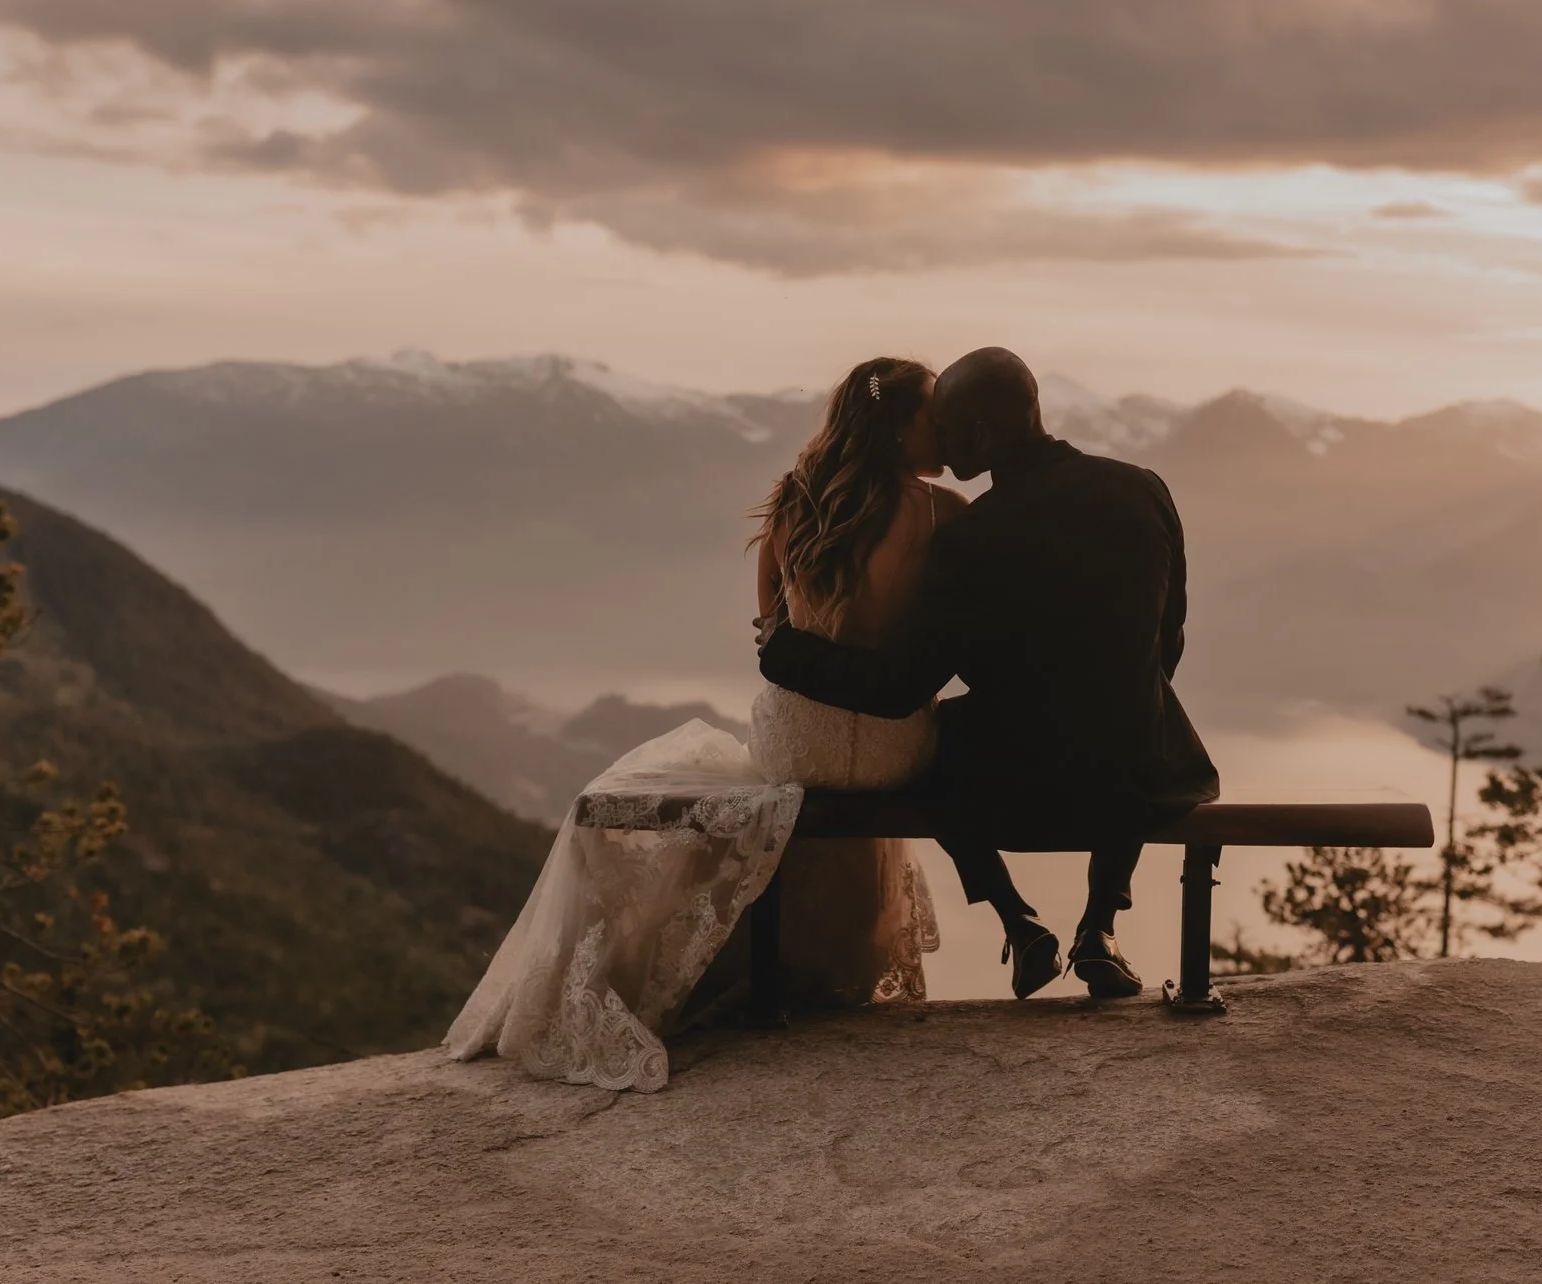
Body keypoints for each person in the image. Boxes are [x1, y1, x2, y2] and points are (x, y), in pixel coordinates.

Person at [444, 357, 955, 1091]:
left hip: (797, 746)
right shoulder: (946, 514)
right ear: (900, 425)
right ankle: (830, 960)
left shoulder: (793, 502)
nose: (944, 429)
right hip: (894, 746)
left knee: (716, 768)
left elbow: (768, 631)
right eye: (932, 415)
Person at [757, 347, 1219, 1001]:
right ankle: (1100, 928)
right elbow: (1167, 637)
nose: (938, 444)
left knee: (938, 744)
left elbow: (897, 689)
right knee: (1133, 706)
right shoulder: (1142, 489)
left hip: (1016, 777)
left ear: (976, 435)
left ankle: (1019, 921)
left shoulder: (972, 538)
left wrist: (785, 656)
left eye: (945, 431)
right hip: (1144, 770)